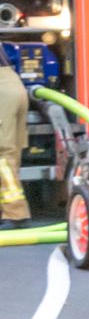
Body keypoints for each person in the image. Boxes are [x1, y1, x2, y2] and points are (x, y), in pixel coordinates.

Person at [0, 59, 28, 228]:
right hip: (13, 83)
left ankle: (16, 214)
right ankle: (7, 211)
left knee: (3, 155)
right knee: (11, 154)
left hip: (3, 91)